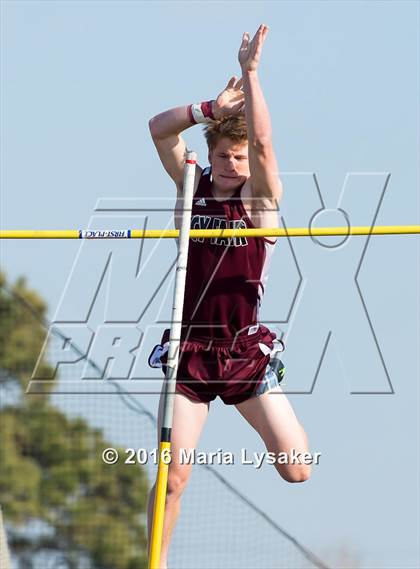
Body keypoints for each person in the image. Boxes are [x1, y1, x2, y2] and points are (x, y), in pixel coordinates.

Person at [147, 24, 311, 568]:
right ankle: (156, 563)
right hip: (191, 353)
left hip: (241, 353)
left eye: (239, 159)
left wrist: (252, 75)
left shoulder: (261, 202)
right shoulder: (191, 188)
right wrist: (206, 109)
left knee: (297, 467)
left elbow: (264, 144)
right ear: (211, 153)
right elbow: (157, 129)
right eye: (223, 157)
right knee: (175, 475)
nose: (232, 167)